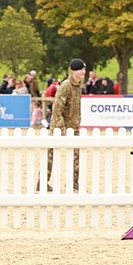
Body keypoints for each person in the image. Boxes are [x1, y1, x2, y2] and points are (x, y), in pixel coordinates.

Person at [47, 58, 86, 191]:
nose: (83, 72)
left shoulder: (78, 86)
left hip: (73, 126)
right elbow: (58, 107)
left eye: (84, 69)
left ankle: (73, 182)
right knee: (50, 154)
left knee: (76, 155)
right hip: (60, 126)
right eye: (80, 69)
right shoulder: (66, 85)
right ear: (73, 71)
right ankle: (43, 181)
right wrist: (61, 126)